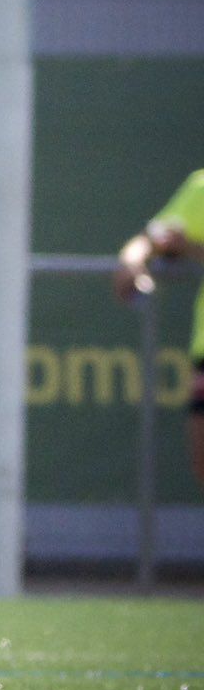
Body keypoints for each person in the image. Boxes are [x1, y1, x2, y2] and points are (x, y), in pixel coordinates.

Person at [114, 167, 204, 486]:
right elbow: (150, 240)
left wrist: (191, 249)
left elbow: (185, 245)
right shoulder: (201, 186)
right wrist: (132, 262)